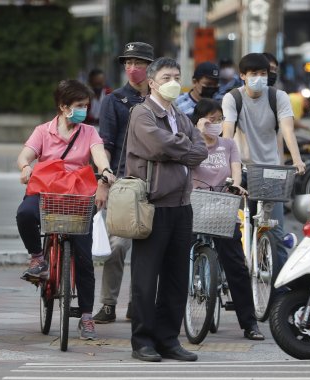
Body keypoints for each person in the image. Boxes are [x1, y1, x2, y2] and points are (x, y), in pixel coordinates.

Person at [15, 79, 115, 341]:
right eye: (79, 106)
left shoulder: (89, 132)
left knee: (83, 259)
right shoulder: (42, 131)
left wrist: (104, 171)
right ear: (63, 106)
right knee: (25, 214)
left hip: (78, 196)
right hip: (45, 192)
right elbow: (25, 155)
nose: (84, 110)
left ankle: (85, 317)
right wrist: (26, 167)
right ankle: (38, 257)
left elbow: (99, 154)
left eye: (86, 105)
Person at [126, 57, 207, 362]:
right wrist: (182, 148)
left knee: (176, 277)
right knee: (146, 279)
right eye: (166, 77)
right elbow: (158, 147)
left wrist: (179, 148)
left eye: (176, 76)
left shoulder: (180, 117)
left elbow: (201, 150)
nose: (173, 81)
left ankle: (168, 339)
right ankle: (142, 341)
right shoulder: (142, 114)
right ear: (152, 82)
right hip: (153, 204)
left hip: (182, 205)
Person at [221, 53, 305, 269]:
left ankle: (278, 288)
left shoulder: (278, 97)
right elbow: (228, 132)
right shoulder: (233, 98)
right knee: (236, 229)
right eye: (253, 74)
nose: (259, 78)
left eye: (263, 74)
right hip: (241, 170)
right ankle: (236, 281)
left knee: (274, 232)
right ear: (242, 76)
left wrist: (296, 160)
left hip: (271, 171)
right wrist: (225, 165)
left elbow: (287, 129)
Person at [190, 98, 265, 341]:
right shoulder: (190, 142)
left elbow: (236, 170)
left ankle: (249, 323)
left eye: (218, 119)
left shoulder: (229, 144)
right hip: (194, 206)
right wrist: (197, 134)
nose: (214, 123)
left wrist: (235, 185)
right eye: (209, 119)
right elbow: (185, 163)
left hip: (223, 205)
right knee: (176, 258)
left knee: (236, 264)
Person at [93, 41, 154, 324]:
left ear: (150, 67)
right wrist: (103, 180)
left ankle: (138, 304)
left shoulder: (160, 99)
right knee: (118, 245)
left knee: (150, 249)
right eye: (127, 63)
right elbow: (105, 143)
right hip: (122, 182)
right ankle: (108, 303)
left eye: (138, 63)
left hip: (156, 183)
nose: (131, 68)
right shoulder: (114, 100)